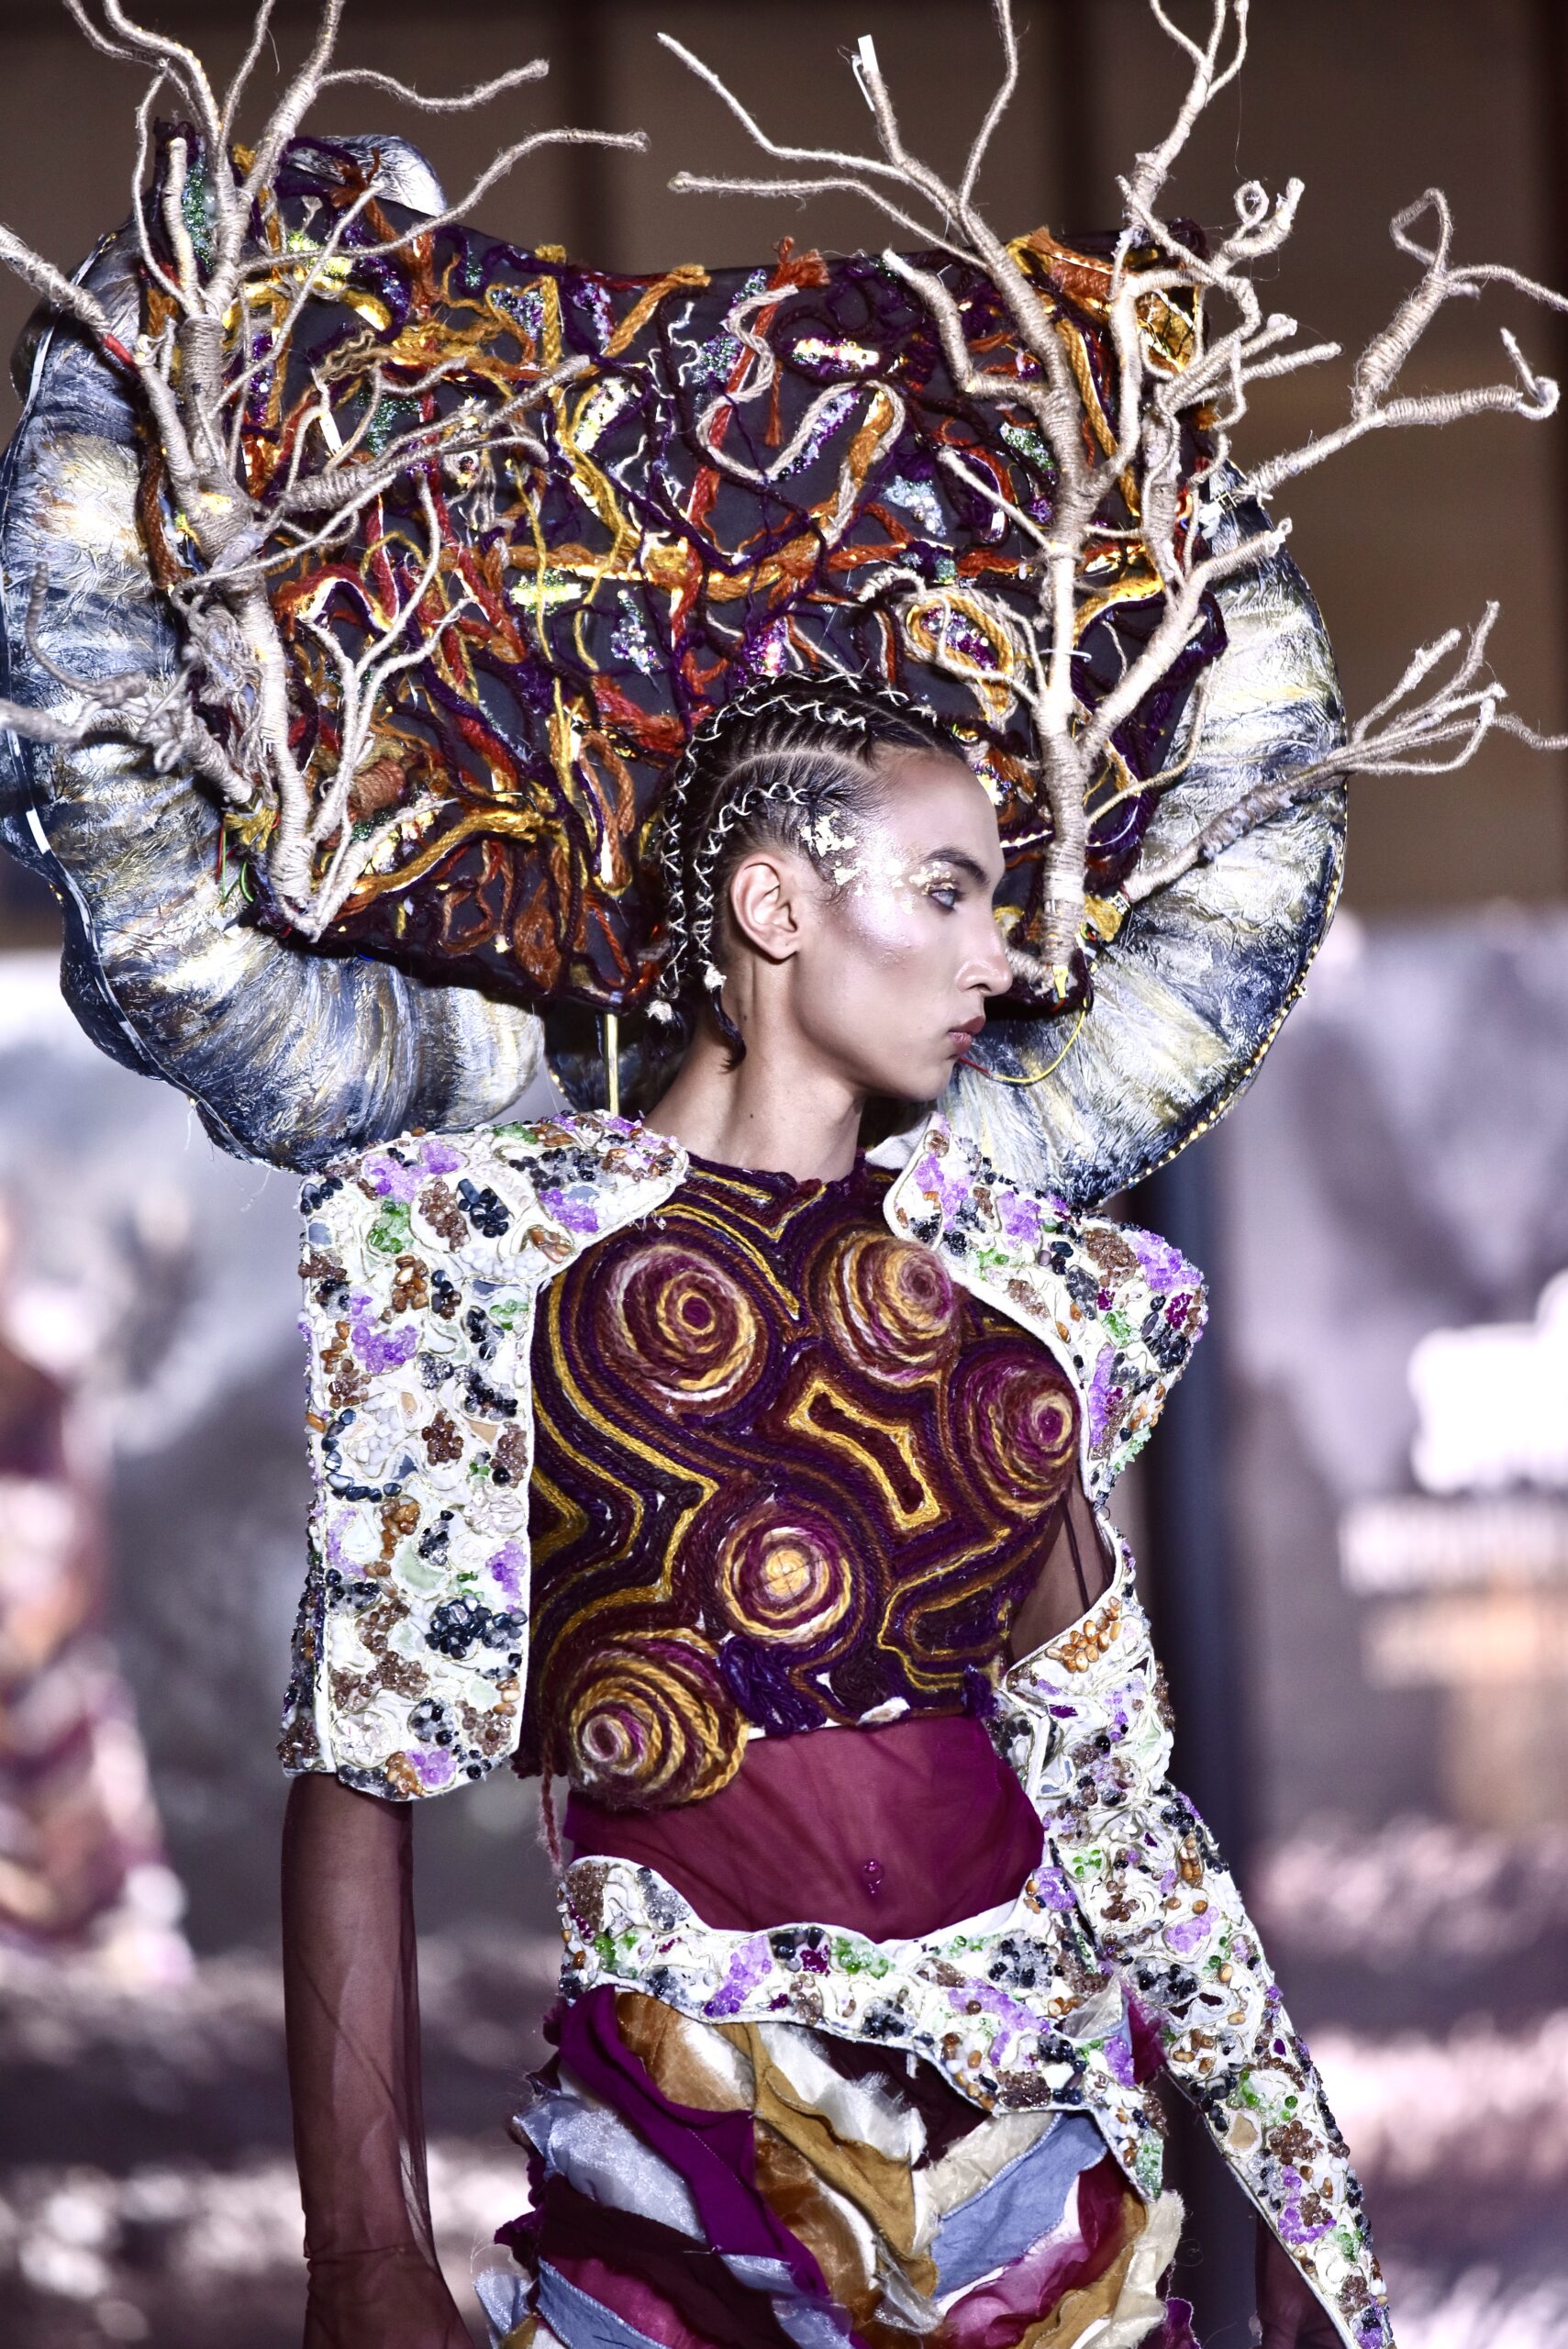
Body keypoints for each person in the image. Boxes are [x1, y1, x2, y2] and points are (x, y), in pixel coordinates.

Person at [280, 677, 1384, 2349]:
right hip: (674, 2183)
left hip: (1039, 2187)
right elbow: (364, 1771)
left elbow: (1117, 1810)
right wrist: (363, 2261)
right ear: (773, 904)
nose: (1001, 961)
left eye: (999, 906)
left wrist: (1295, 2193)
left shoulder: (1018, 1306)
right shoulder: (484, 1265)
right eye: (948, 892)